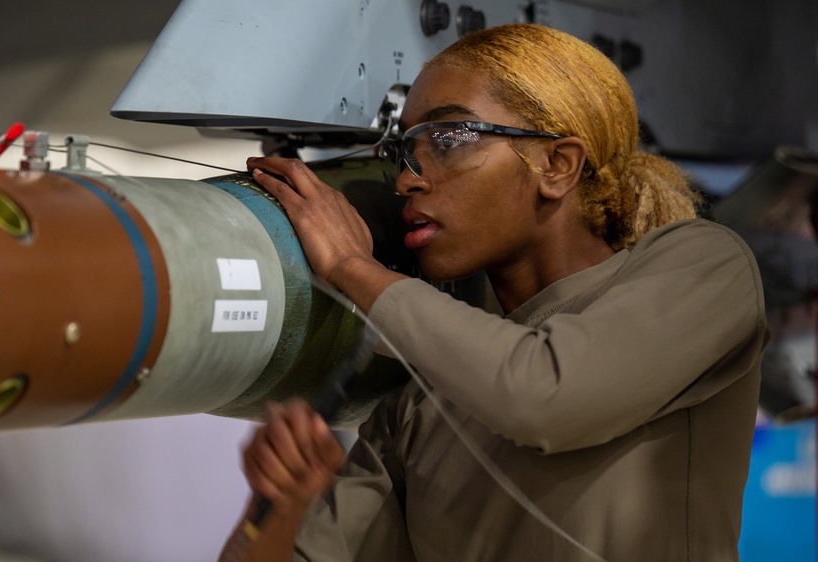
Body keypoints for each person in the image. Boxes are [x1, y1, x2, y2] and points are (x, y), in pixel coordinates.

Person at [219, 23, 768, 561]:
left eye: (447, 139)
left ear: (556, 165)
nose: (408, 179)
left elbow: (543, 395)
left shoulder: (705, 266)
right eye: (405, 154)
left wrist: (348, 265)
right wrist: (279, 504)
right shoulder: (419, 405)